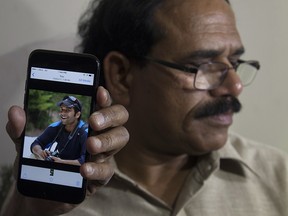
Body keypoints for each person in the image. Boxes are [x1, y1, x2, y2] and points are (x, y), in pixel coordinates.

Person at [1, 0, 288, 215]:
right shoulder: (35, 198)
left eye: (235, 62)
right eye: (204, 66)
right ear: (122, 74)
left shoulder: (279, 176)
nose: (235, 86)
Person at [30, 96, 88, 165]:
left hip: (76, 169)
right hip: (59, 162)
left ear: (77, 114)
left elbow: (85, 160)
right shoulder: (55, 127)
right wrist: (40, 152)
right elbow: (36, 143)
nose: (62, 113)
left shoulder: (85, 132)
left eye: (67, 110)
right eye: (61, 110)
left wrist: (62, 162)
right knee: (33, 156)